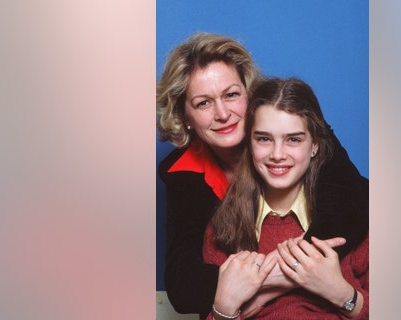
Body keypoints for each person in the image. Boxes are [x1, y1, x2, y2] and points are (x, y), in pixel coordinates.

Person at [157, 32, 368, 317]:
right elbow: (184, 285)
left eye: (231, 95)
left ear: (250, 94)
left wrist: (315, 283)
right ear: (185, 117)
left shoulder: (291, 128)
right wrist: (236, 297)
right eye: (203, 103)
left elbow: (356, 202)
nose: (222, 113)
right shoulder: (185, 177)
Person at [204, 78, 368, 319]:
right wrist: (223, 310)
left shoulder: (353, 219)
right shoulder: (223, 228)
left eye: (293, 139)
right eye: (264, 139)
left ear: (315, 146)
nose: (277, 154)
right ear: (249, 144)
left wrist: (343, 294)